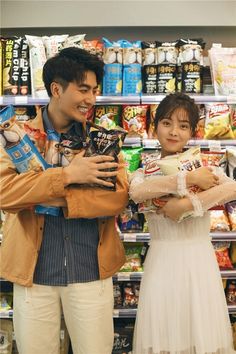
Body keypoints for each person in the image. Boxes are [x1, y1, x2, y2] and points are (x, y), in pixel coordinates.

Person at [0, 47, 129, 354]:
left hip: (90, 269)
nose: (91, 100)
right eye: (83, 89)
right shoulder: (18, 136)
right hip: (34, 273)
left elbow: (118, 198)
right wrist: (70, 176)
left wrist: (52, 197)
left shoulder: (102, 138)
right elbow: (5, 193)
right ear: (56, 89)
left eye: (94, 91)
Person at [129, 93, 236, 354]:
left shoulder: (205, 169)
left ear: (193, 132)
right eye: (167, 123)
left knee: (200, 333)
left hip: (199, 263)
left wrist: (189, 205)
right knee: (163, 333)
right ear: (154, 127)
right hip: (162, 263)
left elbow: (232, 188)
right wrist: (185, 180)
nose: (174, 132)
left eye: (183, 125)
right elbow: (137, 193)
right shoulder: (145, 172)